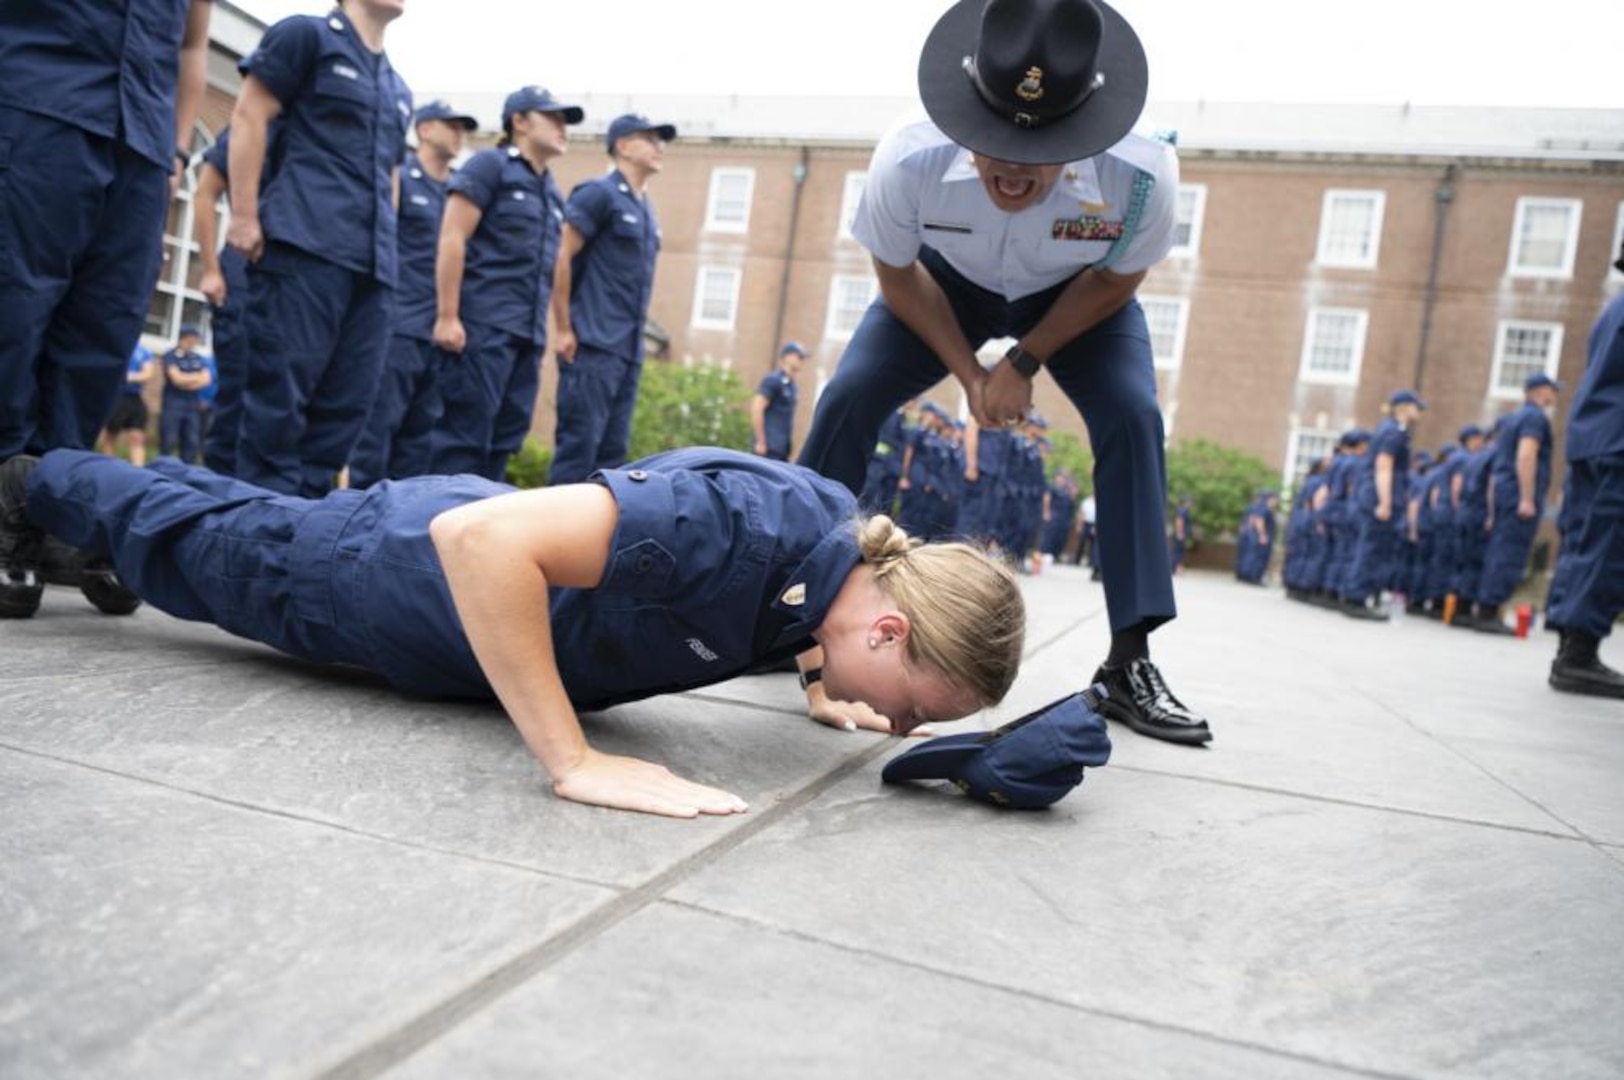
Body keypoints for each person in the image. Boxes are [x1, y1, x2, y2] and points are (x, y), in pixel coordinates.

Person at [1, 447, 1025, 817]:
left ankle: (88, 527)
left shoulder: (837, 575)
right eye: (911, 712)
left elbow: (784, 618)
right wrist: (571, 760)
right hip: (389, 581)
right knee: (200, 552)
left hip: (415, 588)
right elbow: (480, 541)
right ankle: (32, 482)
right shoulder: (737, 531)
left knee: (231, 524)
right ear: (889, 631)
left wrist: (814, 682)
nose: (896, 730)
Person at [796, 0, 1209, 744]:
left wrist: (1024, 360)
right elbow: (896, 275)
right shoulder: (907, 155)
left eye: (1043, 148)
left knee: (1134, 415)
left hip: (1078, 296)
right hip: (941, 288)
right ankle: (785, 602)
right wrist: (968, 371)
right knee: (850, 395)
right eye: (993, 144)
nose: (1013, 170)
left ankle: (1130, 658)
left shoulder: (1143, 170)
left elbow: (1116, 281)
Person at [0, 0, 211, 463]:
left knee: (103, 333)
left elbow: (193, 45)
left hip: (142, 152)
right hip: (34, 109)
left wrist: (175, 153)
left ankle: (44, 500)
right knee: (12, 309)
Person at [227, 0, 412, 496]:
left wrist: (388, 251)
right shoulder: (305, 37)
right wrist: (244, 215)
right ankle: (257, 545)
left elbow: (390, 176)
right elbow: (249, 115)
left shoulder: (397, 86)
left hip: (371, 270)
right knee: (278, 412)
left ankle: (303, 544)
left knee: (343, 415)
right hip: (304, 247)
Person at [426, 88, 576, 482]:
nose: (564, 128)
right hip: (481, 328)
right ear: (520, 122)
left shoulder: (552, 192)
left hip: (525, 336)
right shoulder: (489, 166)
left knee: (504, 440)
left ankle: (481, 530)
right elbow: (452, 237)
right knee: (462, 440)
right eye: (553, 118)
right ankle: (434, 534)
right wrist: (447, 315)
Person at [549, 113, 677, 485]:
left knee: (612, 457)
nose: (659, 148)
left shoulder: (646, 210)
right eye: (650, 139)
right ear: (623, 145)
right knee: (578, 452)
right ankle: (553, 539)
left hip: (627, 350)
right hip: (592, 343)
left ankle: (589, 543)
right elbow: (560, 257)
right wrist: (562, 328)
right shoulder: (599, 193)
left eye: (661, 141)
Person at [1545, 275, 1624, 697]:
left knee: (1583, 544)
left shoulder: (1612, 309)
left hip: (1594, 436)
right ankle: (1579, 656)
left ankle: (1568, 650)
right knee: (1608, 549)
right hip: (1617, 441)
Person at [1462, 373, 1561, 634]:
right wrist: (1527, 497)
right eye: (1552, 391)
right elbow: (1526, 455)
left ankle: (1486, 608)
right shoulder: (1534, 418)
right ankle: (1489, 610)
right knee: (1509, 553)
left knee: (1499, 550)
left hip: (1506, 494)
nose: (1555, 397)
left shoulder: (1515, 418)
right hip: (1518, 496)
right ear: (1540, 391)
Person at [1340, 391, 1424, 620]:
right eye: (1417, 408)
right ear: (1404, 408)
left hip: (1374, 496)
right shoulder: (1395, 432)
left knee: (1369, 547)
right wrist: (1385, 502)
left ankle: (1356, 596)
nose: (1419, 413)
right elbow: (1384, 465)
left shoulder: (1387, 429)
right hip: (1381, 498)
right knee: (1372, 549)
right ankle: (1357, 598)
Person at [158, 326, 213, 463]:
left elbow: (207, 380)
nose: (194, 342)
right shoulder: (171, 355)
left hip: (192, 404)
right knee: (169, 440)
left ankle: (187, 471)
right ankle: (164, 469)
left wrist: (186, 379)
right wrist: (195, 377)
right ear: (184, 337)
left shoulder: (197, 357)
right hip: (173, 403)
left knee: (191, 441)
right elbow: (176, 379)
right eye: (192, 338)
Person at [100, 345, 160, 468]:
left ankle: (138, 469)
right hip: (116, 396)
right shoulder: (116, 346)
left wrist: (128, 376)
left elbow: (147, 374)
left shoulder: (144, 351)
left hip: (135, 398)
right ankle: (108, 467)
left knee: (137, 437)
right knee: (111, 435)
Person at [751, 342, 808, 460]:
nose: (801, 360)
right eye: (799, 356)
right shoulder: (773, 380)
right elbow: (757, 408)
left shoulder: (792, 385)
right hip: (768, 449)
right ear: (787, 357)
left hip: (781, 450)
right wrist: (761, 441)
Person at [1170, 493, 1193, 575]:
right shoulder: (1183, 510)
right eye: (1190, 501)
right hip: (1180, 535)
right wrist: (1180, 533)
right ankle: (1173, 568)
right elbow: (1179, 521)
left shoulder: (1182, 509)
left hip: (1182, 534)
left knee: (1179, 551)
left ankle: (1177, 568)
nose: (1191, 503)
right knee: (1177, 551)